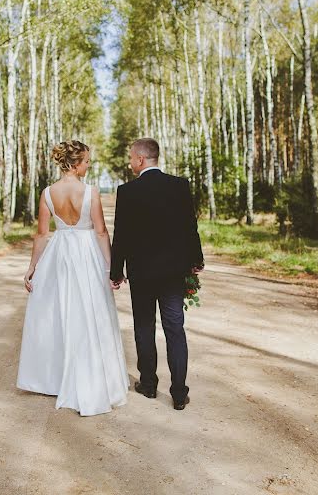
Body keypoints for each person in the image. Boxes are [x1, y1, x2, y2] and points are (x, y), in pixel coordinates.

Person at [17, 140, 129, 416]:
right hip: (86, 253)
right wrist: (112, 266)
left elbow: (42, 234)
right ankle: (91, 375)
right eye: (87, 161)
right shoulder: (89, 192)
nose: (89, 165)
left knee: (63, 312)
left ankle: (58, 378)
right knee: (91, 312)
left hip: (60, 255)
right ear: (75, 164)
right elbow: (101, 232)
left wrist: (33, 266)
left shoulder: (47, 193)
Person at [110, 138, 204, 411]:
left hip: (142, 273)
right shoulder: (179, 186)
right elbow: (190, 227)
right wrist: (196, 260)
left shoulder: (127, 191)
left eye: (131, 157)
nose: (130, 162)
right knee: (175, 328)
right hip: (174, 271)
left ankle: (148, 384)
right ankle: (178, 393)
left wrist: (117, 271)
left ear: (140, 159)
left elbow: (122, 236)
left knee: (144, 327)